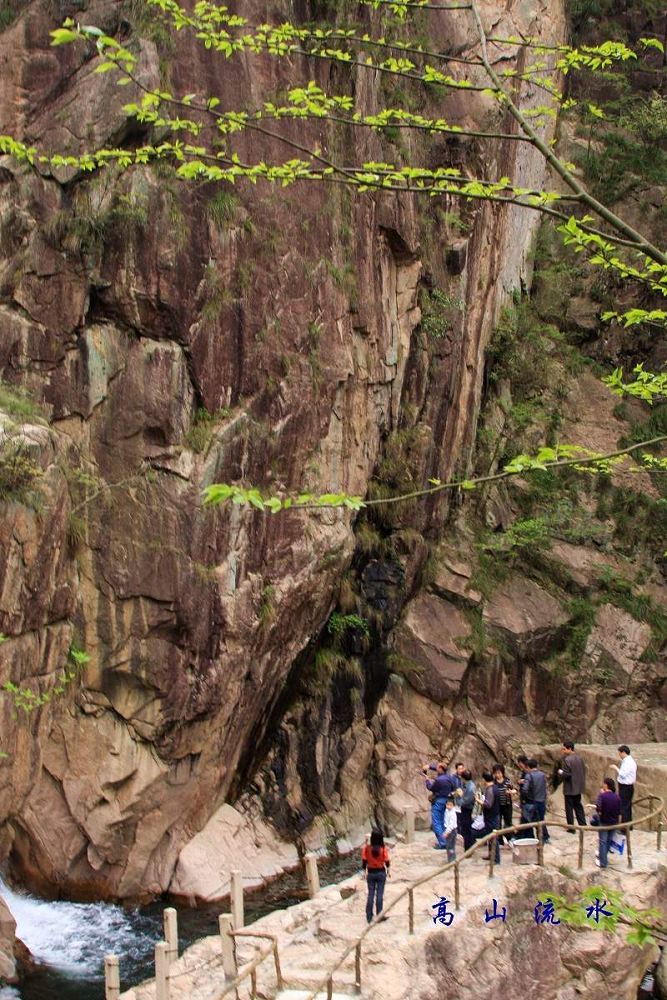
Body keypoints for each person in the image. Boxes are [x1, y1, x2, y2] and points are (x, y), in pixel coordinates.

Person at [422, 762, 455, 850]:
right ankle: (446, 840)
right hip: (447, 802)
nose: (436, 768)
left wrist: (427, 780)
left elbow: (431, 788)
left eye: (437, 767)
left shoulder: (439, 780)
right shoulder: (449, 778)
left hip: (438, 801)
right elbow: (453, 788)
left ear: (440, 769)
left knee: (436, 822)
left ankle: (443, 843)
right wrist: (429, 766)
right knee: (444, 821)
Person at [361, 828, 390, 922]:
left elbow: (364, 861)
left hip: (371, 873)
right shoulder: (383, 848)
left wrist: (364, 872)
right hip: (381, 872)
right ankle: (380, 915)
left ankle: (369, 916)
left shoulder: (367, 848)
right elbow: (387, 861)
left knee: (371, 894)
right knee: (379, 894)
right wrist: (388, 871)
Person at [558, 741, 587, 830]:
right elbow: (584, 771)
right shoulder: (580, 758)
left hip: (570, 787)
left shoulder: (567, 760)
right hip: (578, 786)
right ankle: (583, 824)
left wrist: (560, 772)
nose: (563, 751)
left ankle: (571, 827)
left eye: (564, 749)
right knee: (578, 806)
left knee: (569, 808)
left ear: (569, 749)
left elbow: (567, 774)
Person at [595, 778, 621, 869]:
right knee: (608, 841)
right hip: (614, 822)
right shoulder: (617, 797)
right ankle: (603, 858)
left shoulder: (603, 796)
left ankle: (603, 862)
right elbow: (619, 811)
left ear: (606, 785)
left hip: (604, 822)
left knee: (602, 842)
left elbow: (598, 808)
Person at [524, 758, 550, 843]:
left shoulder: (528, 776)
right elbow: (545, 787)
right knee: (541, 820)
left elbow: (525, 790)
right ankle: (543, 837)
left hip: (532, 802)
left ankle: (532, 839)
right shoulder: (542, 775)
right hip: (542, 801)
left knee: (530, 821)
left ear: (528, 767)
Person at [611, 745, 637, 825]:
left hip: (626, 787)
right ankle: (628, 825)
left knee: (624, 807)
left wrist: (615, 768)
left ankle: (624, 827)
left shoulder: (629, 762)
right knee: (627, 806)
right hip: (625, 786)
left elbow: (623, 774)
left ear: (623, 752)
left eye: (619, 753)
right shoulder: (626, 761)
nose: (619, 755)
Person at [482, 771, 501, 865]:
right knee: (491, 837)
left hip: (491, 816)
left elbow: (488, 804)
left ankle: (496, 859)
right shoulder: (496, 788)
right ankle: (491, 855)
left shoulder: (490, 790)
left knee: (493, 838)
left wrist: (479, 801)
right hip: (495, 815)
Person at [492, 763, 514, 845]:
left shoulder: (507, 781)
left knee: (508, 822)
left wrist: (510, 792)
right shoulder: (493, 782)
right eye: (496, 773)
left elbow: (514, 789)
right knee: (498, 823)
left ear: (502, 772)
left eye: (499, 773)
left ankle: (509, 838)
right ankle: (499, 840)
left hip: (507, 805)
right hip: (497, 805)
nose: (498, 775)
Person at [459, 768, 476, 851]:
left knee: (466, 829)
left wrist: (459, 797)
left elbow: (465, 801)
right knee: (465, 828)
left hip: (468, 809)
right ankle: (469, 845)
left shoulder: (470, 787)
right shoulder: (466, 784)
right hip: (465, 809)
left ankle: (468, 848)